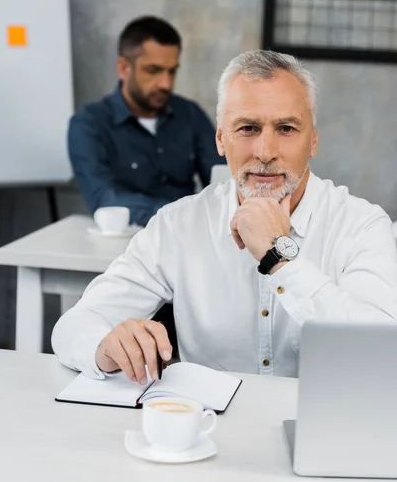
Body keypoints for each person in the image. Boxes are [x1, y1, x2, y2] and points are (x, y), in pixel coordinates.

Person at [53, 49, 397, 380]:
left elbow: (381, 349)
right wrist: (105, 347)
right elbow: (75, 326)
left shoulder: (361, 226)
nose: (265, 152)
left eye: (286, 129)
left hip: (324, 428)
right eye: (247, 128)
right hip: (209, 430)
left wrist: (278, 256)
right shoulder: (178, 225)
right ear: (220, 139)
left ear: (313, 141)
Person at [68, 15, 223, 227]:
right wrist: (181, 216)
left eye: (172, 71)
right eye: (153, 70)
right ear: (124, 68)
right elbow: (106, 200)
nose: (166, 84)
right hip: (123, 245)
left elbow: (223, 183)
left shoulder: (190, 115)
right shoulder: (89, 125)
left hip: (186, 241)